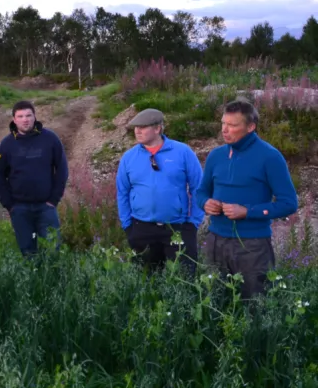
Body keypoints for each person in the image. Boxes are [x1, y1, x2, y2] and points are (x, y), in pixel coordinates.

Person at [196, 98, 298, 298]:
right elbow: (201, 192)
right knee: (214, 301)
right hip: (215, 240)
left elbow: (289, 203)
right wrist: (205, 203)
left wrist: (247, 212)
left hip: (252, 245)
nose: (224, 130)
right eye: (223, 123)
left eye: (232, 125)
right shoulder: (216, 156)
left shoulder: (270, 157)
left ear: (251, 127)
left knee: (255, 304)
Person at [116, 108, 204, 274]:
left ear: (157, 128)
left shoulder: (183, 152)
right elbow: (122, 192)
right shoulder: (129, 157)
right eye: (135, 127)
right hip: (141, 229)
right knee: (145, 282)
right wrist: (127, 225)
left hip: (177, 228)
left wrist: (193, 224)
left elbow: (199, 188)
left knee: (182, 281)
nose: (137, 131)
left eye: (143, 127)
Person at [0, 100, 69, 256]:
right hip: (19, 209)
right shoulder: (6, 144)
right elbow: (0, 176)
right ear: (14, 119)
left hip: (46, 207)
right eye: (20, 116)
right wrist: (9, 205)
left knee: (52, 251)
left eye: (28, 115)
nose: (25, 119)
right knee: (28, 253)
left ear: (35, 117)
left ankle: (51, 279)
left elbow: (62, 169)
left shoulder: (50, 139)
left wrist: (53, 200)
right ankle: (33, 280)